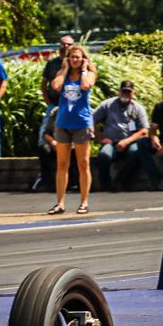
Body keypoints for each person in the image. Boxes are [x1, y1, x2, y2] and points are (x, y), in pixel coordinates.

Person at [48, 44, 97, 214]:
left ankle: (84, 202)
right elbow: (55, 86)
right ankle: (60, 202)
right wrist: (65, 68)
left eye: (78, 57)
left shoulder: (89, 73)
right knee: (62, 164)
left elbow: (85, 86)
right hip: (63, 122)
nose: (75, 60)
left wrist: (83, 69)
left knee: (83, 163)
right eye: (72, 57)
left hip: (81, 123)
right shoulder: (63, 75)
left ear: (83, 59)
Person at [93, 80, 150, 192]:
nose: (126, 94)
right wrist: (99, 137)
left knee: (136, 152)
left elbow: (144, 131)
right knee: (104, 154)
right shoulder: (107, 105)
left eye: (128, 92)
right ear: (119, 92)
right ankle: (105, 183)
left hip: (130, 143)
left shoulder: (138, 108)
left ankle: (121, 181)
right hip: (111, 142)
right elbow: (91, 120)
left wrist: (126, 142)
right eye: (124, 91)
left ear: (133, 93)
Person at [31, 105, 76, 193]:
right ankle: (47, 181)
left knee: (75, 151)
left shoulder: (77, 113)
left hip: (70, 144)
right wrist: (53, 142)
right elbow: (45, 133)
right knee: (43, 149)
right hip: (55, 144)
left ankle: (72, 183)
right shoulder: (55, 112)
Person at [41, 35, 75, 106]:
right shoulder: (51, 63)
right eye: (63, 44)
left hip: (72, 104)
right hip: (54, 104)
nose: (66, 46)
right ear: (59, 46)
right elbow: (43, 84)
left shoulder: (76, 63)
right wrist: (49, 103)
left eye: (69, 44)